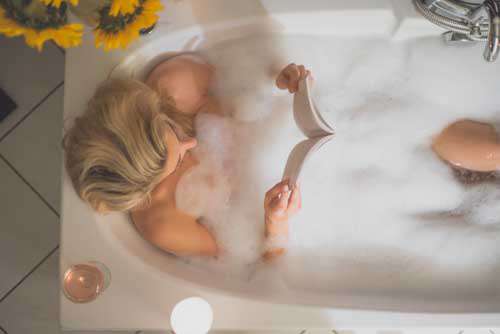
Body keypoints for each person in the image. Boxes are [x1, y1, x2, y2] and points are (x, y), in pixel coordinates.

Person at [64, 54, 305, 261]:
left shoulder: (173, 85)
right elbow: (256, 259)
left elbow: (242, 74)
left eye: (172, 128)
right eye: (179, 160)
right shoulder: (163, 223)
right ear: (145, 188)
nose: (191, 143)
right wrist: (276, 220)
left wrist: (277, 78)